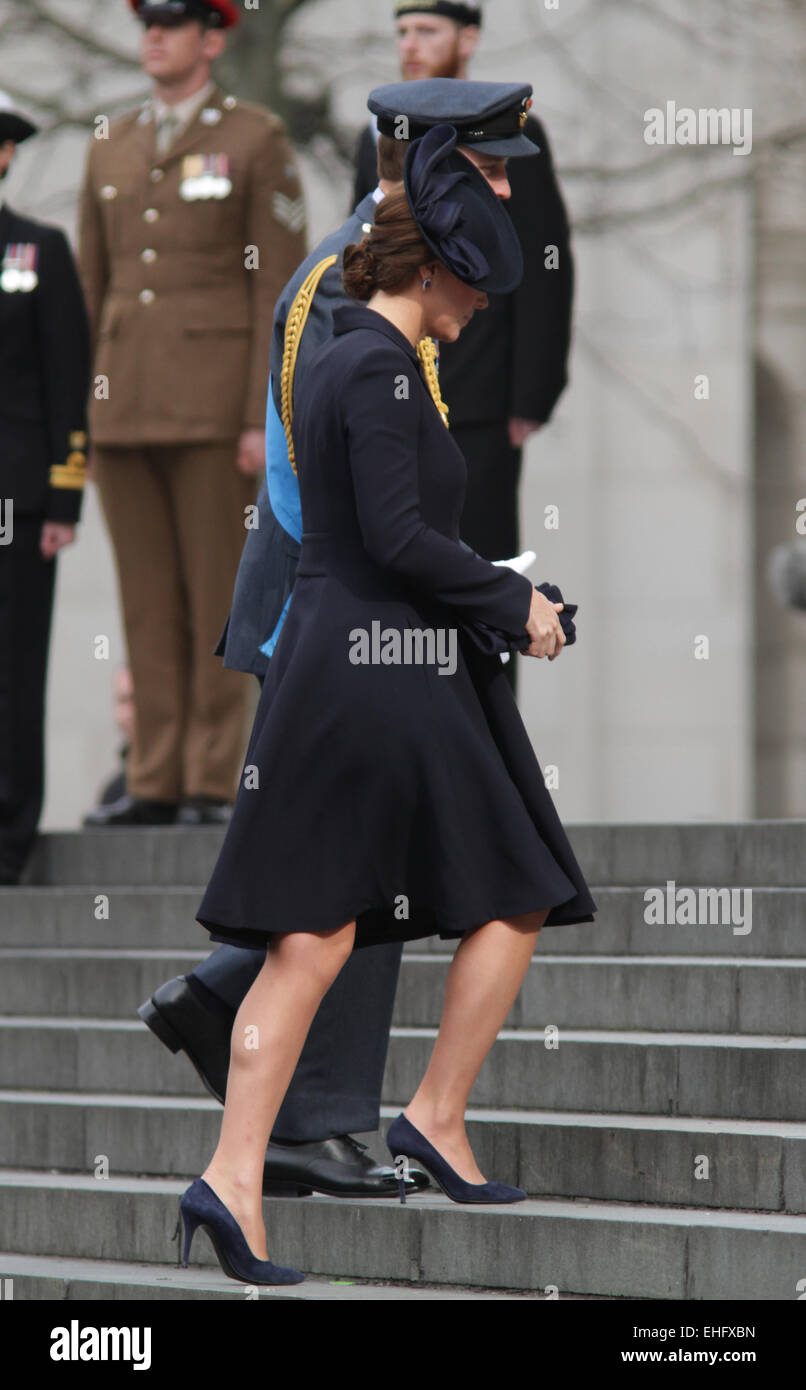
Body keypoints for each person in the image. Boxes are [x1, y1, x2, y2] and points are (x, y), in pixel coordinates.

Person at [175, 123, 597, 1286]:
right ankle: (434, 1114)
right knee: (517, 887)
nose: (477, 306)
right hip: (380, 675)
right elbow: (402, 540)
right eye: (469, 282)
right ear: (425, 270)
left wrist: (506, 587)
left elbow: (383, 532)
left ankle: (232, 1177)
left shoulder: (355, 351)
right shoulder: (369, 359)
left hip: (351, 667)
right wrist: (512, 611)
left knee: (309, 941)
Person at [79, 0, 306, 828]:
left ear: (212, 38)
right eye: (146, 21)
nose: (153, 35)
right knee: (146, 599)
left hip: (216, 411)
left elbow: (277, 291)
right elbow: (89, 287)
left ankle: (213, 780)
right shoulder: (110, 141)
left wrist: (261, 416)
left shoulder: (255, 139)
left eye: (172, 23)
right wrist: (84, 414)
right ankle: (155, 776)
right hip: (123, 404)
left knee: (219, 594)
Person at [354, 2, 575, 694]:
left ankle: (488, 725)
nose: (411, 46)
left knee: (485, 566)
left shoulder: (511, 136)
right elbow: (367, 256)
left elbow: (545, 268)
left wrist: (529, 396)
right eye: (402, 32)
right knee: (409, 568)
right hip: (399, 380)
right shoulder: (379, 139)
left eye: (428, 32)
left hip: (480, 397)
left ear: (467, 39)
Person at [0, 93, 91, 884]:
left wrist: (64, 499)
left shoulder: (39, 249)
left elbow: (70, 382)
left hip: (19, 499)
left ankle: (8, 837)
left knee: (13, 668)